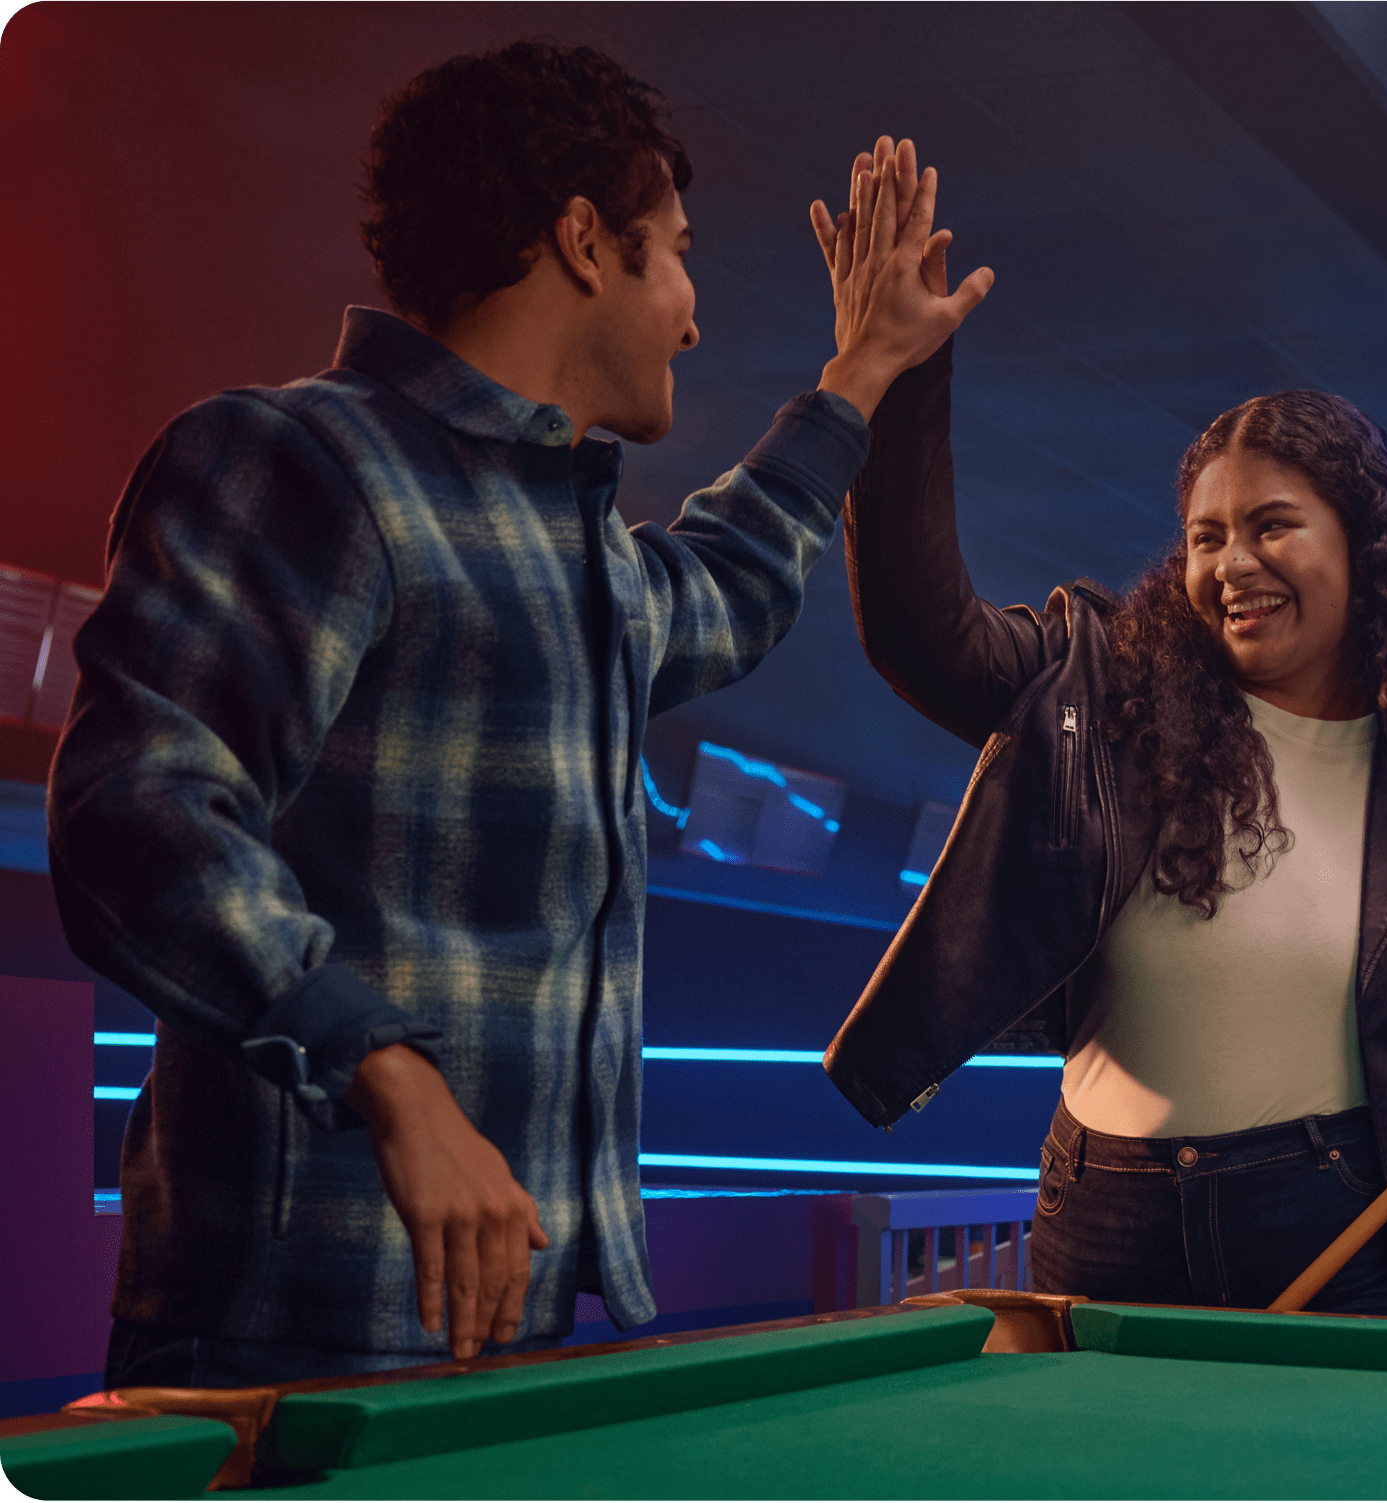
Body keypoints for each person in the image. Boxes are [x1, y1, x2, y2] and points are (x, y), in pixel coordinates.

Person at [48, 46, 989, 1385]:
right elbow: (134, 811)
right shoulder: (298, 458)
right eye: (677, 255)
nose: (693, 319)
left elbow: (728, 578)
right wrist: (385, 1068)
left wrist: (861, 374)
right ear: (585, 243)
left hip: (508, 1320)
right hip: (292, 1318)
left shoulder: (576, 553)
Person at [821, 144, 1387, 1317]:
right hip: (1105, 1214)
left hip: (1361, 1221)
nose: (1232, 564)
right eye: (1206, 536)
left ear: (1366, 546)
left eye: (1272, 526)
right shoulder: (1104, 691)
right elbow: (918, 637)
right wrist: (894, 372)